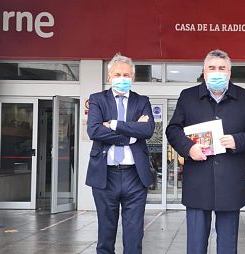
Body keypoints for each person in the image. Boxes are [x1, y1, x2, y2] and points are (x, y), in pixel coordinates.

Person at [166, 49, 245, 254]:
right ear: (204, 71)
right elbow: (173, 130)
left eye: (221, 68)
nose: (216, 72)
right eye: (211, 68)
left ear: (229, 72)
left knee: (227, 245)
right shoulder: (188, 96)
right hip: (198, 181)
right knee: (196, 245)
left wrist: (237, 140)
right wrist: (189, 148)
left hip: (230, 182)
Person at [86, 53, 155, 254]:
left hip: (135, 175)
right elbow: (95, 131)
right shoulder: (97, 99)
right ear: (109, 77)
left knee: (134, 235)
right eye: (118, 74)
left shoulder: (142, 101)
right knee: (105, 234)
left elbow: (148, 130)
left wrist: (114, 125)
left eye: (126, 74)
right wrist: (131, 135)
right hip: (105, 176)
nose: (122, 78)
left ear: (132, 78)